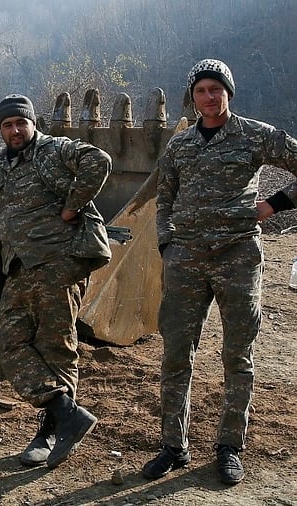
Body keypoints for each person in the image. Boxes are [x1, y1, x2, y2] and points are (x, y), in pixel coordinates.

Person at [142, 59, 297, 486]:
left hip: (237, 256)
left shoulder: (255, 135)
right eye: (201, 90)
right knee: (176, 354)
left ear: (228, 92)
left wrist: (272, 205)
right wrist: (167, 244)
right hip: (186, 260)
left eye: (216, 89)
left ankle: (230, 447)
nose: (209, 97)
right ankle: (172, 447)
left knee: (237, 356)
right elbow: (165, 196)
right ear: (192, 98)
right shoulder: (181, 145)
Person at [0, 94, 112, 468]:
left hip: (57, 265)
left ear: (32, 123)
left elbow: (98, 161)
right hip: (18, 268)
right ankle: (67, 414)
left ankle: (50, 431)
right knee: (9, 342)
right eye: (7, 125)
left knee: (56, 348)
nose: (15, 130)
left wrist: (72, 206)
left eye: (21, 122)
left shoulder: (53, 150)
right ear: (0, 129)